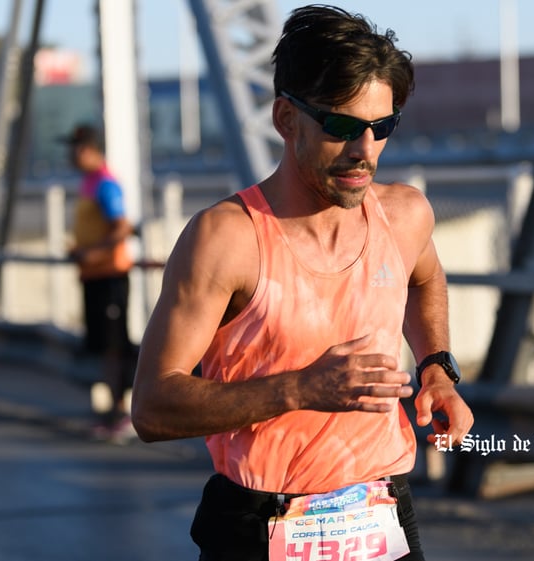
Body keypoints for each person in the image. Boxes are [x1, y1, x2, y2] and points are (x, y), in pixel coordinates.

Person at [131, 5, 474, 560]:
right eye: (340, 127)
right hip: (257, 520)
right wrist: (300, 390)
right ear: (286, 119)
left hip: (381, 510)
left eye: (380, 128)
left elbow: (423, 279)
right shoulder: (227, 239)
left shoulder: (406, 216)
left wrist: (437, 366)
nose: (365, 151)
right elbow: (151, 407)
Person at [60, 123, 137, 444]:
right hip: (95, 277)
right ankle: (112, 412)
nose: (70, 156)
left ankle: (123, 413)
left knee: (114, 346)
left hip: (109, 277)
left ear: (90, 150)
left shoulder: (106, 184)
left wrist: (92, 254)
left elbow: (122, 227)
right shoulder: (90, 183)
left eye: (75, 149)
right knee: (104, 346)